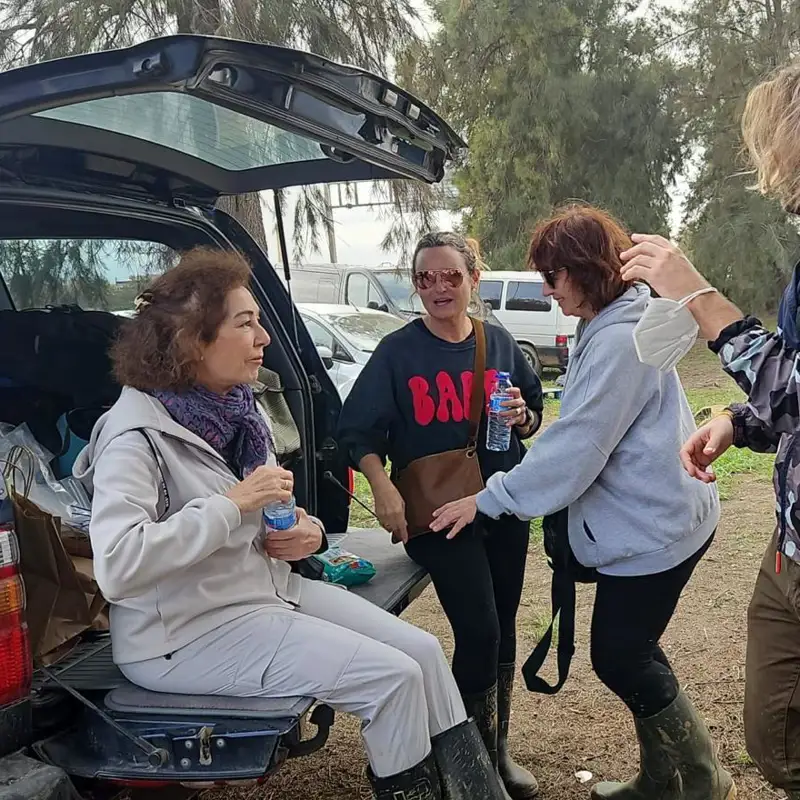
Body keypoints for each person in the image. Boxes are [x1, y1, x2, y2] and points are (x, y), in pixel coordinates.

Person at [73, 246, 511, 800]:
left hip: (262, 594)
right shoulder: (133, 438)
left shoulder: (238, 412)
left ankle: (476, 792)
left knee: (422, 653)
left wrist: (305, 532)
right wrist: (233, 504)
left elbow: (266, 516)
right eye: (246, 324)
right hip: (182, 636)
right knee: (392, 680)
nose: (264, 338)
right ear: (192, 340)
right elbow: (118, 567)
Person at [431, 206, 735, 800]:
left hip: (657, 525)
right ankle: (661, 779)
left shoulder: (621, 338)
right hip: (667, 512)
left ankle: (703, 779)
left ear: (586, 271)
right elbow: (586, 430)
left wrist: (488, 499)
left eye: (553, 275)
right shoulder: (621, 320)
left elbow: (579, 447)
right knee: (634, 648)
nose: (547, 289)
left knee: (620, 655)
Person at [616, 62, 800, 800]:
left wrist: (697, 295)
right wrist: (737, 419)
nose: (778, 178)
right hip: (790, 552)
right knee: (775, 739)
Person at [337, 231, 544, 800]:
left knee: (501, 631)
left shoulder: (497, 343)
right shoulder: (398, 352)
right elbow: (356, 432)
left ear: (473, 279)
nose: (437, 288)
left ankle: (495, 750)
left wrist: (523, 416)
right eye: (425, 278)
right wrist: (383, 489)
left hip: (501, 503)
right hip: (434, 514)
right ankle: (466, 766)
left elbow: (531, 417)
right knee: (478, 630)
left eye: (450, 276)